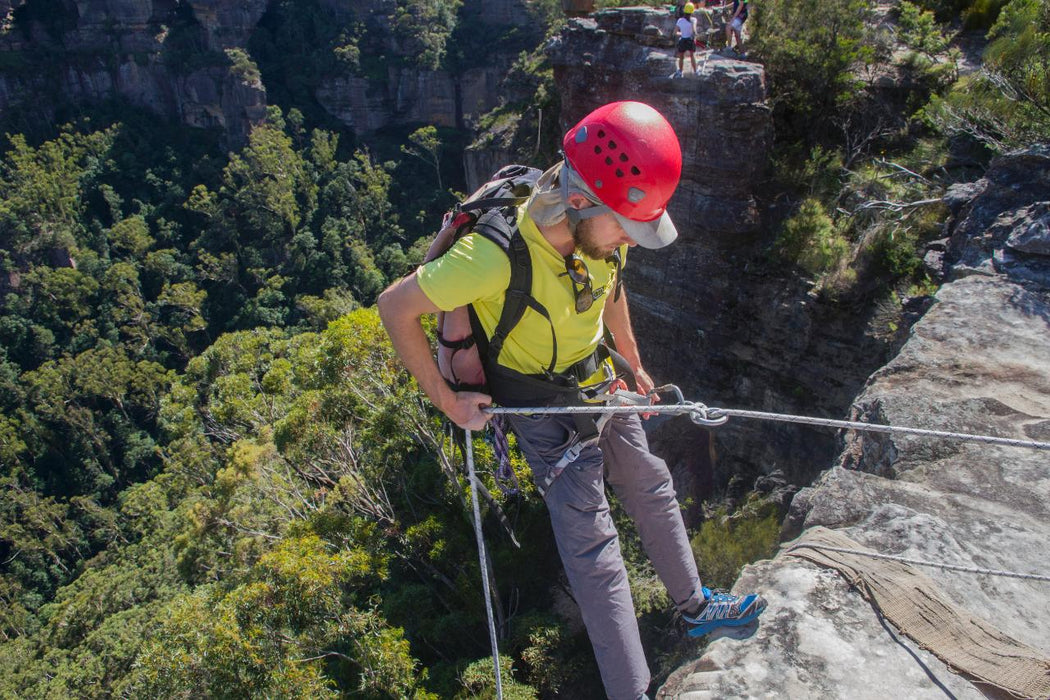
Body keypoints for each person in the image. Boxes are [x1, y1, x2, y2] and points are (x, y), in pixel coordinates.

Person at [377, 101, 767, 700]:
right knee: (595, 549)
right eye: (622, 227)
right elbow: (394, 307)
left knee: (649, 481)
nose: (624, 241)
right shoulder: (491, 257)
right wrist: (448, 403)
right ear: (581, 200)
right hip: (540, 411)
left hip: (598, 382)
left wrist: (633, 363)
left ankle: (694, 607)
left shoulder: (601, 228)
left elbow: (611, 287)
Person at [673, 2, 699, 78]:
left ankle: (680, 72)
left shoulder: (680, 20)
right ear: (692, 11)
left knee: (681, 57)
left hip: (683, 40)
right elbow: (694, 31)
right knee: (692, 56)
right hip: (690, 40)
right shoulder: (694, 20)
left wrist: (682, 33)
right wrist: (695, 34)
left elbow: (674, 33)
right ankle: (695, 71)